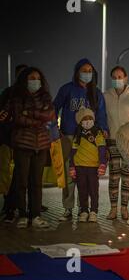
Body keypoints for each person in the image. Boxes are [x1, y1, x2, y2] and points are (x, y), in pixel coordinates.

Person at [53, 58, 109, 221]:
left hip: (89, 140)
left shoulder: (96, 93)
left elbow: (101, 114)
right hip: (69, 136)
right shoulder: (67, 89)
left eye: (90, 71)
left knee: (87, 176)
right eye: (84, 70)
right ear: (77, 72)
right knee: (70, 174)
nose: (87, 74)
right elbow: (54, 107)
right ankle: (68, 208)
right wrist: (54, 128)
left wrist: (103, 129)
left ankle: (84, 209)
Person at [9, 67, 55, 228]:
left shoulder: (45, 97)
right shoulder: (17, 97)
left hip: (41, 145)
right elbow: (18, 118)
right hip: (23, 144)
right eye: (31, 78)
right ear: (24, 80)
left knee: (36, 182)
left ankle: (35, 215)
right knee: (22, 182)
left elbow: (50, 115)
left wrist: (31, 113)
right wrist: (39, 119)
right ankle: (22, 214)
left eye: (37, 78)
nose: (35, 81)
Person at [104, 66, 129, 220]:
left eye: (120, 76)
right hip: (113, 140)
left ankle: (124, 209)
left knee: (127, 176)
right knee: (114, 176)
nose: (117, 80)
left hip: (128, 141)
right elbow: (104, 116)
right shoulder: (106, 95)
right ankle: (113, 209)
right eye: (114, 77)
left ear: (126, 78)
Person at [69, 107, 107, 223]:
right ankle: (84, 211)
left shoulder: (98, 133)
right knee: (82, 190)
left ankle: (94, 211)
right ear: (80, 121)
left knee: (93, 190)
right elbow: (73, 151)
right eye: (85, 119)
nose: (87, 121)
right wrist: (72, 166)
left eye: (90, 118)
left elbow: (102, 149)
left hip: (93, 167)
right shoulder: (77, 134)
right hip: (80, 166)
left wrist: (102, 164)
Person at [0, 64, 28, 222]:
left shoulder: (33, 95)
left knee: (20, 176)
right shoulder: (9, 93)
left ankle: (17, 206)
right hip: (7, 140)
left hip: (24, 142)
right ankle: (9, 206)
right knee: (7, 175)